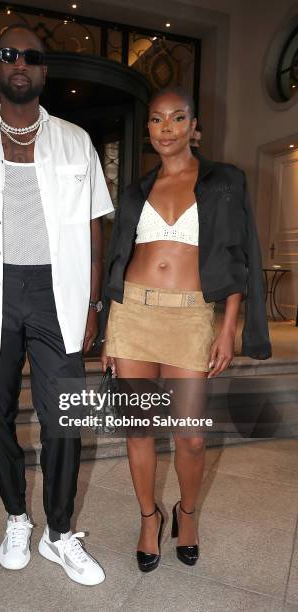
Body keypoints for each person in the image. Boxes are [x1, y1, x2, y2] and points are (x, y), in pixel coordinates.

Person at [0, 24, 114, 586]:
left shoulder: (75, 140)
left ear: (43, 71)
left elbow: (93, 231)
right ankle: (16, 516)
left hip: (56, 292)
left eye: (32, 57)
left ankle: (59, 533)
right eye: (9, 54)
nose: (20, 64)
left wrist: (91, 304)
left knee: (64, 417)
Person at [100, 86, 271, 573]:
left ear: (194, 127)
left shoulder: (225, 181)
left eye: (178, 118)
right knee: (138, 430)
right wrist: (112, 328)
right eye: (157, 120)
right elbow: (119, 259)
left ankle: (187, 514)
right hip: (133, 314)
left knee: (191, 437)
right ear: (149, 128)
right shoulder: (136, 191)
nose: (167, 128)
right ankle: (149, 518)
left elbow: (238, 255)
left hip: (191, 315)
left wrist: (228, 325)